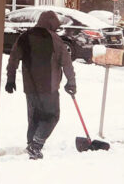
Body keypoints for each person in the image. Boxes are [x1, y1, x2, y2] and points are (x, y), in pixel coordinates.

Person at [5, 10, 76, 160]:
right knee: (52, 116)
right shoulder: (55, 39)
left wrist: (10, 79)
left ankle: (32, 145)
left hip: (30, 87)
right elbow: (66, 63)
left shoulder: (25, 37)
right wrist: (71, 82)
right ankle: (35, 146)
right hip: (49, 87)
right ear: (52, 24)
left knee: (34, 117)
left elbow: (13, 58)